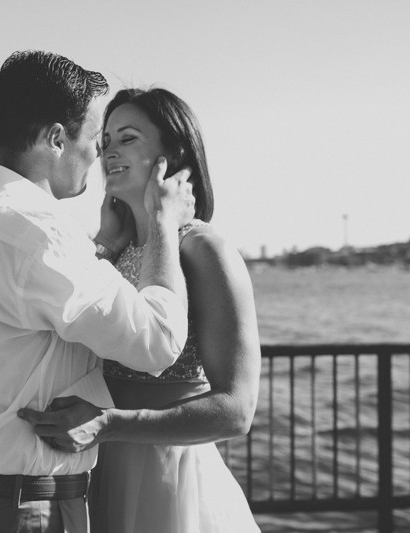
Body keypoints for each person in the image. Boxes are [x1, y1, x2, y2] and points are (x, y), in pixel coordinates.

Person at [0, 51, 196, 533]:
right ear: (56, 138)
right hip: (26, 506)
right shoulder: (41, 230)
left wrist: (105, 245)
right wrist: (161, 223)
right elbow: (157, 342)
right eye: (95, 138)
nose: (99, 155)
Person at [19, 88, 262, 532]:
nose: (108, 150)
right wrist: (106, 245)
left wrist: (110, 424)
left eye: (127, 138)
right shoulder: (113, 249)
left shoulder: (205, 250)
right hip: (92, 469)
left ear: (173, 154)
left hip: (166, 483)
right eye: (106, 139)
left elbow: (237, 409)